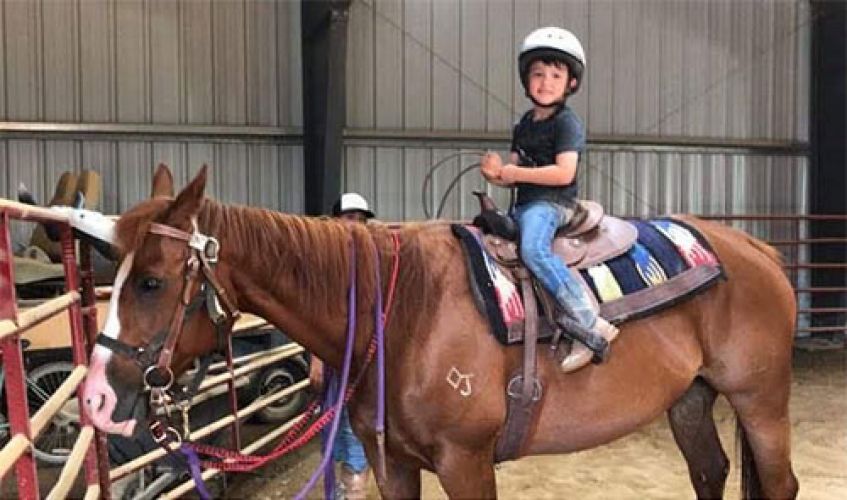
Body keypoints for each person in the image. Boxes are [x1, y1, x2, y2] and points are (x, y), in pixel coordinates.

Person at [480, 27, 619, 371]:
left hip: (551, 204)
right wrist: (496, 174)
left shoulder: (567, 124)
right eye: (538, 74)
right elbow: (513, 169)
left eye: (556, 75)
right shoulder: (524, 123)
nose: (546, 82)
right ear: (526, 79)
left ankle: (588, 320)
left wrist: (515, 175)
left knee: (533, 249)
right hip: (524, 204)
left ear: (571, 83)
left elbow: (563, 173)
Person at [309, 192, 374, 499]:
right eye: (350, 218)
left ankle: (355, 489)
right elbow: (316, 314)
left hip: (365, 358)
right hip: (336, 357)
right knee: (333, 421)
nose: (356, 225)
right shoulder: (324, 264)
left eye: (362, 220)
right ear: (335, 221)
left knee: (355, 422)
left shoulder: (371, 260)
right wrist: (317, 359)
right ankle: (339, 489)